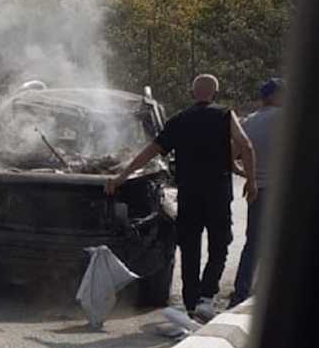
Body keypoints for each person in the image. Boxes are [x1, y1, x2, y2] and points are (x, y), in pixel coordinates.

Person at [105, 74, 257, 321]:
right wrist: (250, 180)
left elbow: (150, 152)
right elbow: (246, 146)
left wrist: (121, 177)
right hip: (218, 194)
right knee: (220, 244)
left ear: (191, 93)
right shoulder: (225, 115)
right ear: (215, 93)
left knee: (189, 248)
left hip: (189, 194)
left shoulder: (178, 120)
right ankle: (207, 297)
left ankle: (190, 303)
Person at [228, 78, 285, 307]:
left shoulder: (248, 122)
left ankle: (240, 294)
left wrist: (249, 177)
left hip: (258, 190)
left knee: (253, 243)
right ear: (272, 96)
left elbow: (230, 159)